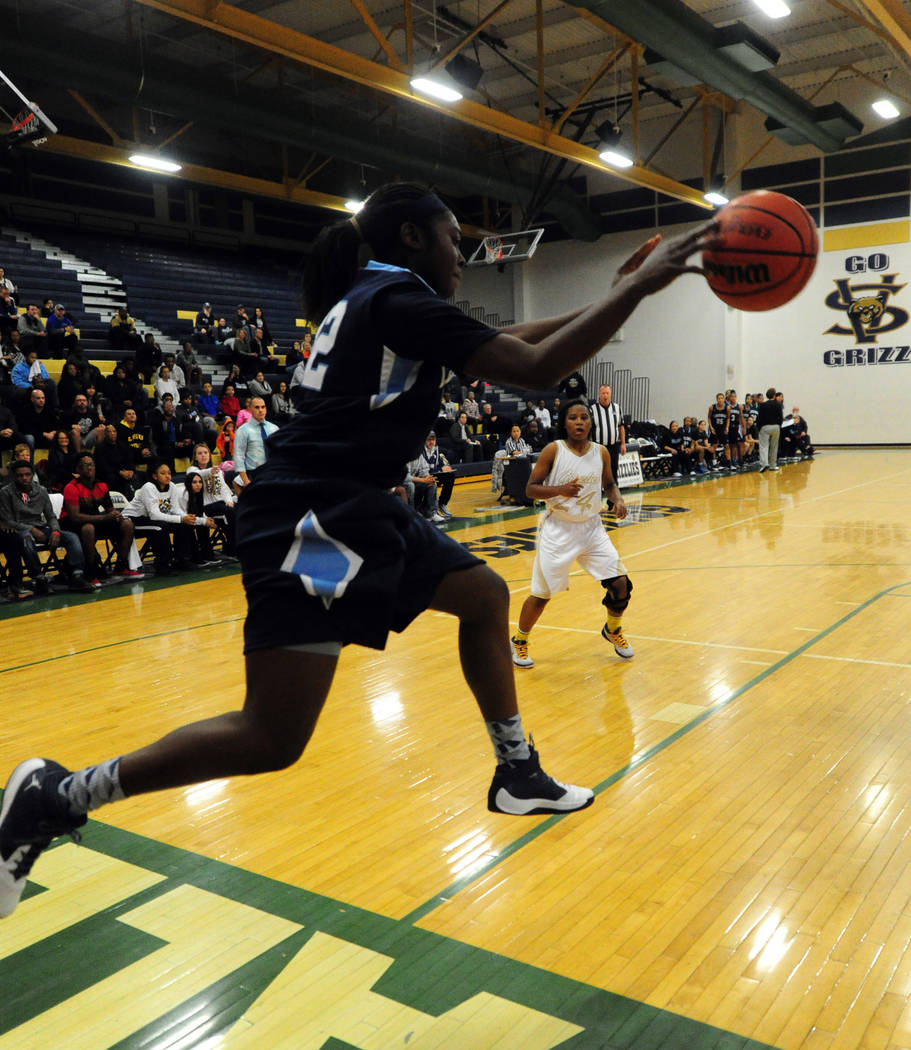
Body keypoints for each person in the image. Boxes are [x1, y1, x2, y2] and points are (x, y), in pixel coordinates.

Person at [0, 181, 715, 918]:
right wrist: (636, 294)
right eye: (450, 239)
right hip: (308, 524)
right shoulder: (394, 299)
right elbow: (528, 366)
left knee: (482, 596)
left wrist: (619, 292)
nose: (461, 257)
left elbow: (507, 342)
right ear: (410, 238)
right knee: (271, 735)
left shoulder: (377, 297)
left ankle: (517, 772)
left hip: (349, 505)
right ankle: (57, 793)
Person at [510, 399, 633, 671]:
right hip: (559, 530)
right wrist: (559, 490)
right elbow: (530, 489)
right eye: (573, 417)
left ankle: (613, 629)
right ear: (564, 423)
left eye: (584, 417)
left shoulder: (601, 452)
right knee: (542, 595)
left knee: (621, 585)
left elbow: (610, 483)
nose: (579, 422)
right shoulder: (553, 451)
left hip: (592, 528)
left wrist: (618, 500)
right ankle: (519, 639)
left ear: (591, 422)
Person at [0, 458, 95, 597]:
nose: (24, 478)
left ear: (32, 474)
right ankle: (39, 578)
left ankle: (76, 576)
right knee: (26, 539)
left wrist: (56, 530)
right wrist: (31, 529)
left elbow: (50, 516)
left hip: (41, 527)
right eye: (20, 475)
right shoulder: (5, 492)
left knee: (72, 537)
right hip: (19, 530)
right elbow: (7, 520)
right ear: (14, 477)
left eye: (27, 474)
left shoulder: (41, 490)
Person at [62, 452, 140, 585]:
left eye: (91, 464)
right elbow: (75, 517)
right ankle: (91, 572)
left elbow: (110, 509)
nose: (89, 468)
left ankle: (121, 566)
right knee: (88, 528)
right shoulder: (71, 487)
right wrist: (105, 518)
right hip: (71, 524)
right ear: (78, 470)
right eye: (85, 465)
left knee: (127, 524)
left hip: (95, 520)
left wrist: (116, 515)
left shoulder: (102, 486)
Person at [122, 460, 195, 574]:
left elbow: (175, 509)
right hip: (133, 519)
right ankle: (163, 564)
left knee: (183, 525)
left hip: (150, 519)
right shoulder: (148, 487)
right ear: (155, 476)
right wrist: (180, 518)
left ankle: (181, 559)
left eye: (169, 473)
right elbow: (154, 515)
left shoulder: (171, 486)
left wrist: (186, 517)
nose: (167, 476)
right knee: (161, 527)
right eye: (163, 473)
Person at [232, 396, 278, 492]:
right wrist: (245, 480)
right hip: (254, 475)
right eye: (257, 407)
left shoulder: (274, 428)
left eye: (263, 407)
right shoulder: (242, 430)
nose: (260, 410)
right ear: (250, 409)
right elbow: (238, 457)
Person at [589, 384, 625, 482]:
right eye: (603, 393)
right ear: (599, 394)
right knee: (598, 471)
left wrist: (623, 444)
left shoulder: (617, 408)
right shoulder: (592, 409)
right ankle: (598, 494)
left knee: (613, 471)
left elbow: (621, 426)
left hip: (613, 446)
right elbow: (588, 429)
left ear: (611, 394)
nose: (605, 396)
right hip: (598, 447)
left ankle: (613, 496)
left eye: (607, 393)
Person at [756, 386, 782, 473]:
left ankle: (764, 464)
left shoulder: (763, 405)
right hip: (775, 427)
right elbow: (780, 417)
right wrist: (779, 426)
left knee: (763, 446)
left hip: (765, 427)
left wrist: (759, 428)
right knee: (774, 446)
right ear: (774, 395)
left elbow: (759, 418)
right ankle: (773, 465)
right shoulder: (778, 405)